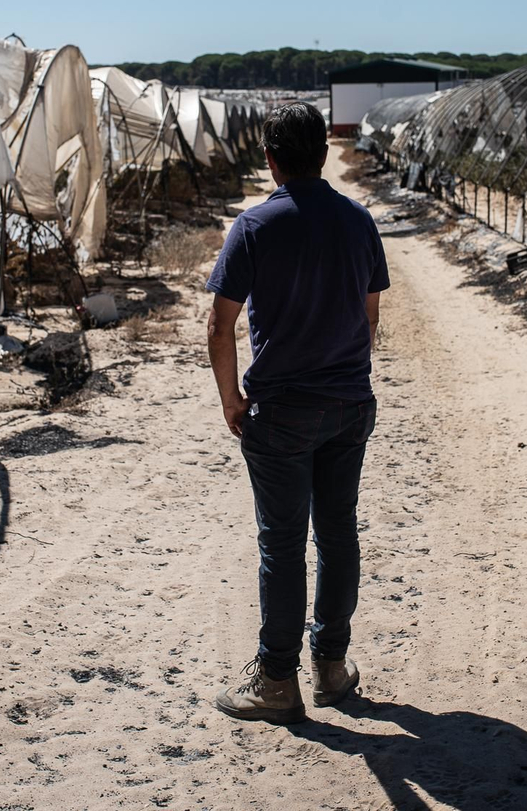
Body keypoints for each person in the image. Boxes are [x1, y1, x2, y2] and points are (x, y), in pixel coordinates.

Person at [204, 101, 389, 724]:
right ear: (323, 153)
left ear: (271, 158)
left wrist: (231, 398)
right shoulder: (360, 222)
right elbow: (369, 317)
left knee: (282, 547)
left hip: (280, 412)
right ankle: (332, 667)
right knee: (338, 533)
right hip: (347, 406)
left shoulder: (254, 227)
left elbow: (220, 325)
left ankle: (278, 680)